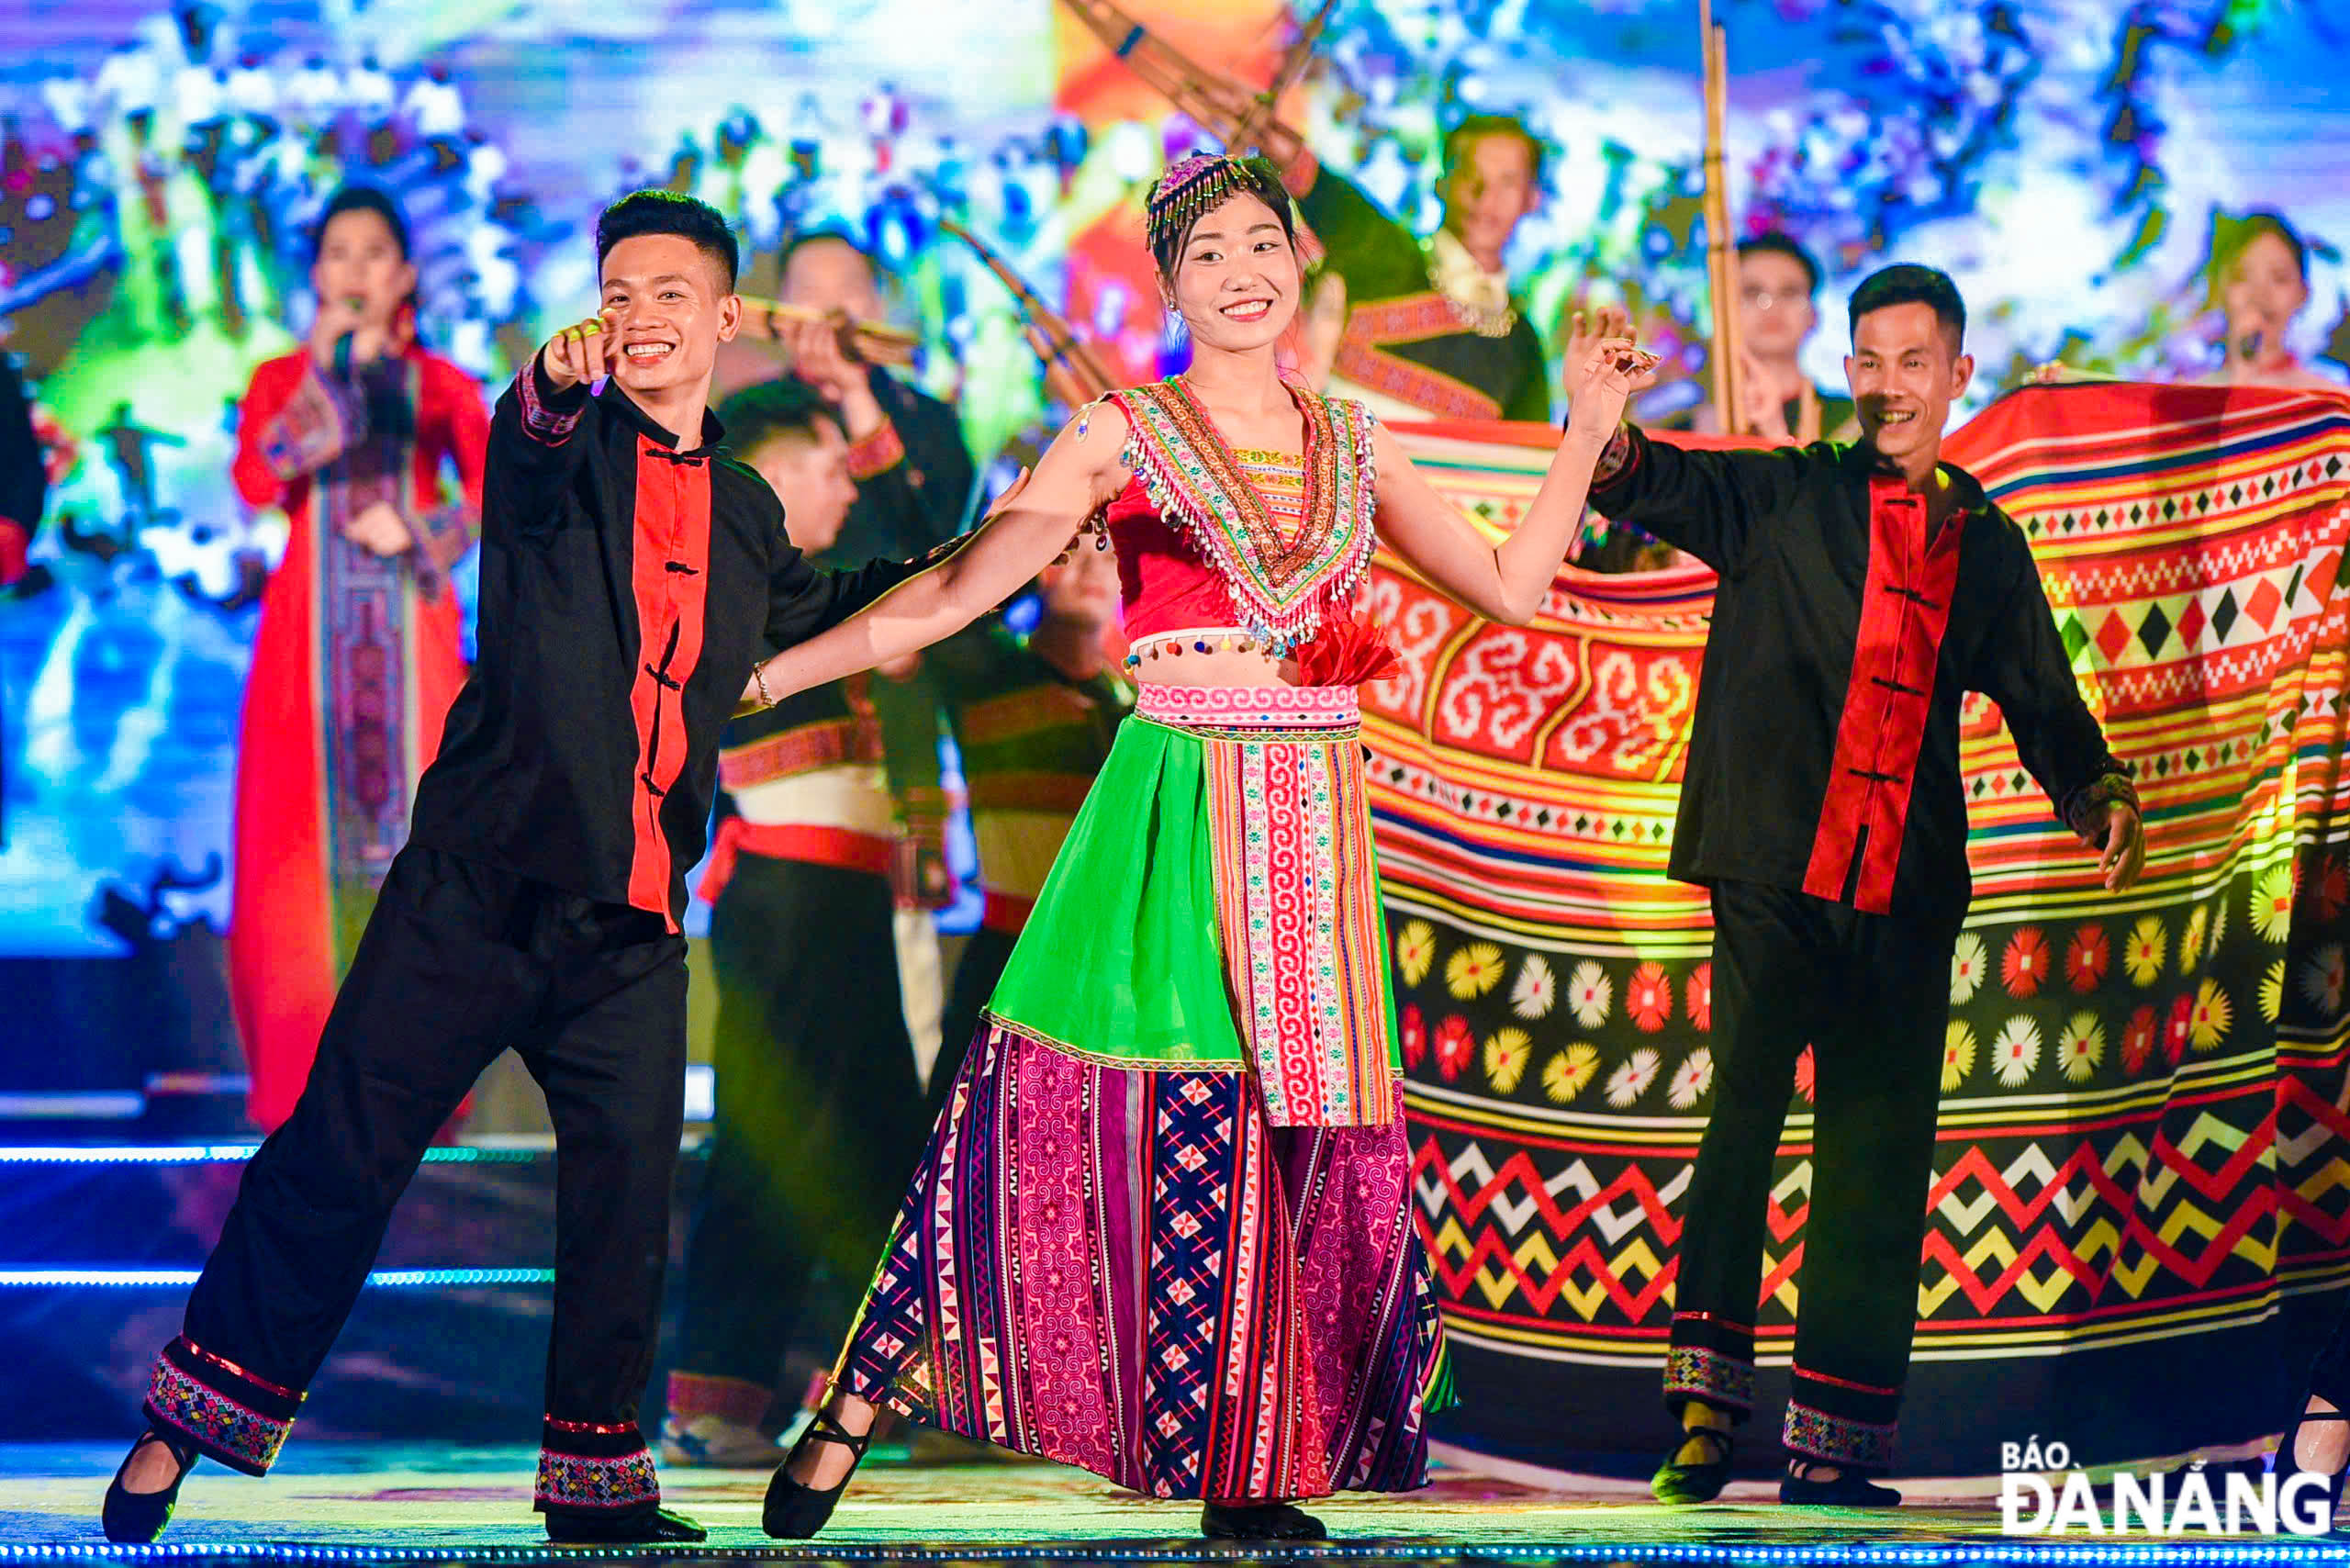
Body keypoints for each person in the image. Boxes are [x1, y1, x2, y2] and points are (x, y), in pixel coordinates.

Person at [740, 151, 1653, 1542]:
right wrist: (763, 677)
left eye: (1260, 244)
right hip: (1174, 801)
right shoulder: (1125, 430)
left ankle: (1247, 1473)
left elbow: (1515, 589)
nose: (1242, 273)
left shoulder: (1360, 440)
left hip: (1317, 824)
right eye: (1208, 255)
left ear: (1298, 262)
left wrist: (1584, 428)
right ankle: (855, 1406)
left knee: (1286, 1145)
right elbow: (961, 591)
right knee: (1046, 1118)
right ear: (1171, 288)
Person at [99, 190, 928, 1547]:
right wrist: (550, 375)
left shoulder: (745, 511)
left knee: (624, 1204)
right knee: (341, 1151)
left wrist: (1014, 530)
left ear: (727, 317)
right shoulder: (558, 446)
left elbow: (847, 607)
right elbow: (530, 421)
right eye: (620, 291)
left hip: (634, 916)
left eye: (672, 292)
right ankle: (183, 1427)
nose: (641, 315)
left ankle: (596, 1489)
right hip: (479, 886)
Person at [1583, 264, 2146, 1508]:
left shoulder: (1986, 544)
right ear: (1849, 373)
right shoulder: (1783, 495)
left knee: (1880, 1154)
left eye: (1913, 363)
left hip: (1905, 882)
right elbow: (1655, 480)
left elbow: (2042, 697)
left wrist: (2096, 794)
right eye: (1869, 362)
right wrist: (1602, 428)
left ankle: (1834, 1449)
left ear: (1957, 376)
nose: (1889, 387)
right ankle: (1700, 1421)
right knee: (1742, 1122)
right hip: (1772, 861)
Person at [660, 378, 942, 1469]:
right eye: (824, 463)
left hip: (851, 901)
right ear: (769, 482)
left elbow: (904, 554)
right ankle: (710, 1398)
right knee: (772, 1143)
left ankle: (873, 1395)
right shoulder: (737, 588)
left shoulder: (816, 591)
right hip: (784, 899)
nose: (842, 482)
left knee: (879, 1143)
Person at [226, 184, 489, 1133]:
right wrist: (326, 380)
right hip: (304, 647)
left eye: (374, 253)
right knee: (298, 852)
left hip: (411, 634)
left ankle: (420, 1088)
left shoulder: (443, 386)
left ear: (406, 275)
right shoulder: (282, 380)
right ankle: (300, 1084)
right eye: (338, 254)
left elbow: (501, 496)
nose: (355, 270)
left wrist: (419, 527)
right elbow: (258, 476)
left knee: (418, 838)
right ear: (317, 276)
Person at [923, 537, 1131, 1104]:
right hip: (1006, 960)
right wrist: (1026, 543)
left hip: (1105, 978)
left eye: (1109, 554)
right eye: (1071, 553)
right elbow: (953, 609)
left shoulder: (1138, 710)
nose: (1092, 568)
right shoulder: (988, 671)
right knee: (967, 1152)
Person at [768, 230, 976, 563]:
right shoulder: (750, 416)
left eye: (848, 289)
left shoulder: (931, 420)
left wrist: (854, 392)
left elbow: (945, 549)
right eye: (809, 291)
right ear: (781, 307)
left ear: (877, 305)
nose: (830, 308)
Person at [1689, 232, 1859, 443]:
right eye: (1752, 293)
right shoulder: (1690, 428)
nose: (1772, 308)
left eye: (1789, 293)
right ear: (1721, 312)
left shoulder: (1853, 421)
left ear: (1814, 316)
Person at [2195, 211, 2344, 392]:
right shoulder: (2184, 399)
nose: (2260, 294)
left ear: (2303, 294)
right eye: (2242, 277)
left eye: (2279, 278)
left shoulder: (2328, 400)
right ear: (2218, 288)